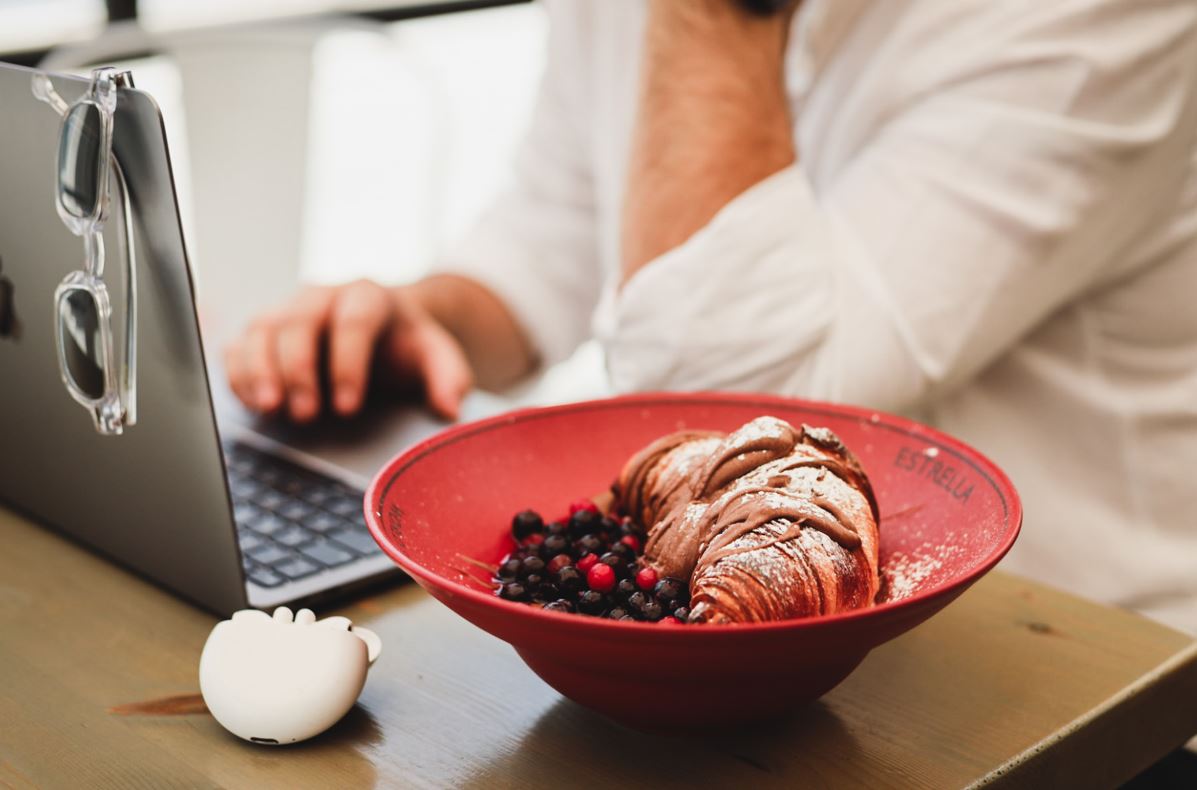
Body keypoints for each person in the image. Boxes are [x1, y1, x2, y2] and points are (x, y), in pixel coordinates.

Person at [225, 0, 1197, 634]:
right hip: (733, 654)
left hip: (1083, 677)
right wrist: (419, 318)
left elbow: (755, 405)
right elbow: (556, 228)